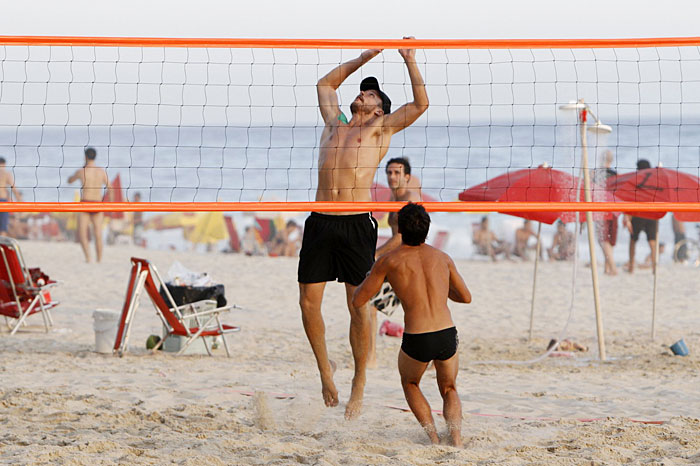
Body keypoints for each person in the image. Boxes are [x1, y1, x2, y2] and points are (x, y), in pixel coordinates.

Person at [298, 38, 428, 420]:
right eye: (362, 90)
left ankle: (358, 383)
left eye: (370, 93)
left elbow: (421, 105)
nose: (362, 94)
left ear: (379, 108)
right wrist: (362, 59)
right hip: (320, 221)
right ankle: (325, 369)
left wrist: (409, 61)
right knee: (308, 304)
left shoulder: (380, 130)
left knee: (359, 307)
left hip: (356, 224)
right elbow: (324, 85)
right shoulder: (334, 123)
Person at [352, 203, 471, 446]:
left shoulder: (389, 261)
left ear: (398, 229)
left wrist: (377, 277)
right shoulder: (443, 258)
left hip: (418, 337)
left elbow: (358, 300)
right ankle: (457, 440)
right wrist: (440, 292)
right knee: (449, 388)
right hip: (447, 333)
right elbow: (465, 297)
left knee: (411, 383)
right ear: (427, 230)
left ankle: (435, 438)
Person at [367, 157, 422, 368]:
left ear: (406, 177)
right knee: (372, 306)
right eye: (389, 172)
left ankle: (371, 357)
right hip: (398, 261)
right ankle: (371, 356)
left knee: (420, 311)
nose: (392, 177)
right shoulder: (396, 193)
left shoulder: (409, 197)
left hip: (408, 263)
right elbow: (415, 179)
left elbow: (400, 237)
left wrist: (375, 254)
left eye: (397, 173)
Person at [67, 147, 110, 263]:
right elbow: (111, 188)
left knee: (82, 234)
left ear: (85, 157)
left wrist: (82, 166)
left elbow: (69, 180)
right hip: (98, 204)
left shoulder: (81, 171)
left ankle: (88, 258)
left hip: (85, 204)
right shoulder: (101, 171)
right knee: (98, 235)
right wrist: (108, 203)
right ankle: (99, 260)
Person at [623, 159, 658, 274]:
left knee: (633, 240)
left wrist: (627, 216)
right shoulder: (655, 180)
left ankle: (631, 266)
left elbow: (629, 198)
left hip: (638, 213)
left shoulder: (636, 180)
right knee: (652, 241)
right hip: (651, 213)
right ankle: (654, 267)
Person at [596, 151, 618, 275]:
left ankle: (612, 267)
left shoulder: (596, 174)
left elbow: (588, 194)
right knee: (609, 239)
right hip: (613, 209)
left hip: (601, 209)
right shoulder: (615, 175)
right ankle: (607, 268)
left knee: (603, 239)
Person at [0, 157, 23, 236]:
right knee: (3, 227)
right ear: (4, 164)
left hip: (3, 200)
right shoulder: (6, 173)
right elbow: (14, 189)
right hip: (2, 201)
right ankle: (2, 246)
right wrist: (20, 202)